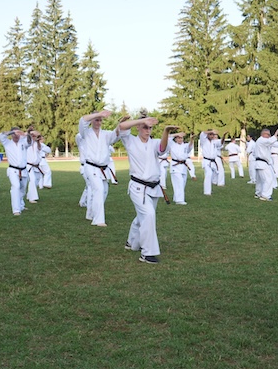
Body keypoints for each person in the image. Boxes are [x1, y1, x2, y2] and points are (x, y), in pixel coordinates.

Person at [118, 115, 177, 264]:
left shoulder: (154, 142)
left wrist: (166, 131)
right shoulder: (130, 140)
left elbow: (162, 149)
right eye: (145, 127)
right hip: (138, 187)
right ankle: (147, 253)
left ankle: (131, 242)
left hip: (153, 187)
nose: (148, 130)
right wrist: (141, 121)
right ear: (138, 127)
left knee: (142, 217)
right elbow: (122, 127)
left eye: (150, 128)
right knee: (149, 215)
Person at [78, 110, 118, 227]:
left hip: (103, 169)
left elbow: (116, 135)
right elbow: (83, 120)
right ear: (92, 120)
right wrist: (98, 114)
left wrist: (121, 124)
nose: (98, 122)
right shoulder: (85, 133)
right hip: (91, 166)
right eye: (96, 120)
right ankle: (98, 220)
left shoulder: (106, 134)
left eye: (100, 120)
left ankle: (91, 213)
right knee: (98, 189)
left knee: (104, 190)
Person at [0, 127, 31, 216]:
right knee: (15, 187)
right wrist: (12, 132)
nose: (16, 136)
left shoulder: (23, 142)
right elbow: (1, 135)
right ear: (11, 135)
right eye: (14, 134)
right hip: (13, 170)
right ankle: (16, 210)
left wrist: (27, 134)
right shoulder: (7, 143)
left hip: (23, 170)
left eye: (18, 134)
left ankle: (21, 205)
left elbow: (29, 142)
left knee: (22, 189)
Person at [254, 129, 278, 201]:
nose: (269, 136)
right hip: (262, 163)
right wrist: (275, 135)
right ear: (263, 134)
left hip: (260, 163)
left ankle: (258, 193)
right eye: (268, 134)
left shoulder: (262, 142)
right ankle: (265, 195)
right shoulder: (261, 140)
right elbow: (270, 141)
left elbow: (274, 144)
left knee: (260, 180)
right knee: (268, 179)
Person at [169, 132, 193, 205]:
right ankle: (179, 200)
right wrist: (176, 134)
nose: (180, 139)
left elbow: (190, 146)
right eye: (178, 138)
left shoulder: (185, 146)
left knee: (182, 183)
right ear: (175, 139)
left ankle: (176, 197)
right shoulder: (172, 144)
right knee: (179, 182)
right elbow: (168, 137)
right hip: (175, 166)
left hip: (183, 166)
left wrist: (191, 139)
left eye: (181, 138)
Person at [25, 127, 43, 204]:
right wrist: (29, 132)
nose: (34, 137)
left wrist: (37, 137)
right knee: (32, 180)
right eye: (32, 135)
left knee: (36, 180)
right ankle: (32, 198)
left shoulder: (37, 144)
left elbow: (39, 135)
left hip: (36, 165)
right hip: (29, 165)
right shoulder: (26, 143)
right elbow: (25, 135)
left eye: (34, 136)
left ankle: (29, 195)